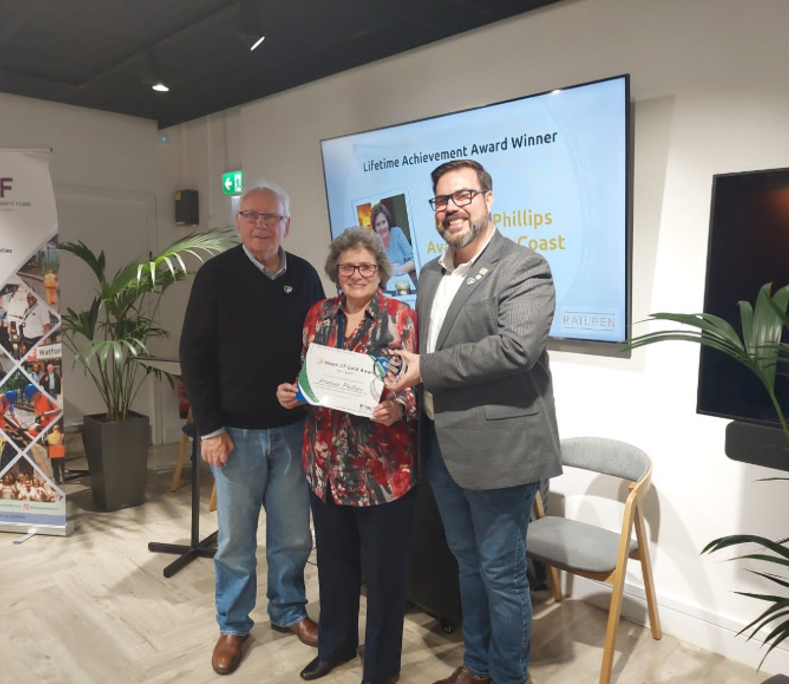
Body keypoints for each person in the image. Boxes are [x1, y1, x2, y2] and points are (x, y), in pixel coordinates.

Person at [387, 159, 562, 684]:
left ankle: (509, 676)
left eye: (463, 195)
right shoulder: (430, 274)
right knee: (466, 563)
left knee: (502, 574)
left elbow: (515, 349)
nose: (452, 208)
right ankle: (478, 666)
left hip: (500, 449)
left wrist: (425, 369)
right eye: (442, 200)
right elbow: (425, 350)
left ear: (488, 199)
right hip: (441, 444)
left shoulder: (524, 267)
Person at [179, 180, 325, 676]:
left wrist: (310, 393)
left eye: (271, 217)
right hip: (234, 434)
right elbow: (194, 356)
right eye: (251, 215)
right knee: (236, 541)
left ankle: (288, 611)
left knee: (293, 535)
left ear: (287, 224)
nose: (261, 225)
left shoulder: (305, 275)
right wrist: (209, 429)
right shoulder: (215, 275)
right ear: (239, 222)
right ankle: (233, 624)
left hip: (293, 430)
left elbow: (319, 349)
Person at [277, 229, 418, 684]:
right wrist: (293, 393)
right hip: (326, 466)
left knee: (383, 577)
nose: (357, 275)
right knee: (334, 566)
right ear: (335, 271)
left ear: (381, 271)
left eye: (366, 267)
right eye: (347, 267)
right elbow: (308, 375)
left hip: (382, 471)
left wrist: (399, 408)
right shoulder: (318, 314)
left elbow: (414, 384)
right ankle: (334, 647)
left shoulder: (401, 316)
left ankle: (381, 669)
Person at [371, 203, 416, 287]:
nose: (382, 227)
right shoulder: (373, 243)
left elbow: (414, 261)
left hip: (404, 284)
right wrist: (387, 272)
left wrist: (398, 270)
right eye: (378, 224)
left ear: (388, 222)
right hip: (384, 288)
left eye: (383, 222)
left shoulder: (397, 233)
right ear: (375, 228)